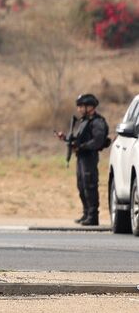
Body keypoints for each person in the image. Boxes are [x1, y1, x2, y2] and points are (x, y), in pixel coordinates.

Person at [55, 93, 109, 226]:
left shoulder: (97, 122)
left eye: (81, 106)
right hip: (81, 158)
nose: (79, 109)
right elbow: (78, 139)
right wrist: (66, 139)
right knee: (81, 186)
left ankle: (93, 216)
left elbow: (98, 141)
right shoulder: (84, 121)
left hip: (89, 158)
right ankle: (86, 213)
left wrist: (81, 147)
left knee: (90, 185)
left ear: (90, 107)